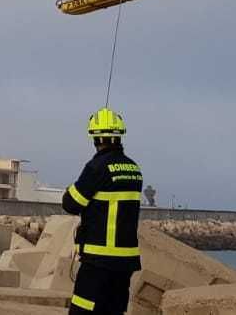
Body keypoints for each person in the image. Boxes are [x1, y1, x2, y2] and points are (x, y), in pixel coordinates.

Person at [61, 108, 143, 315]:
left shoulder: (97, 167)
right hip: (126, 260)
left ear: (96, 138)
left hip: (98, 259)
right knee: (113, 310)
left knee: (82, 310)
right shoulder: (134, 169)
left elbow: (71, 203)